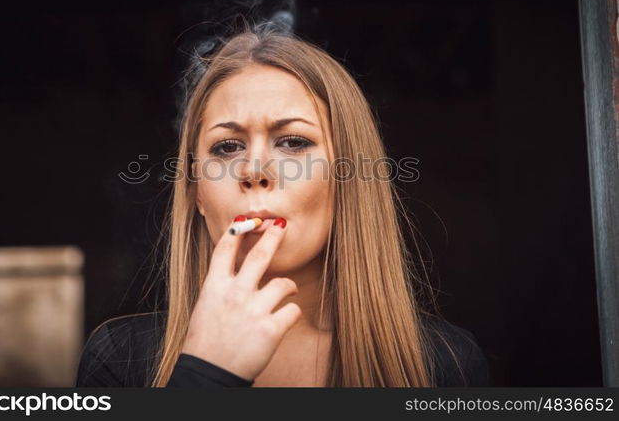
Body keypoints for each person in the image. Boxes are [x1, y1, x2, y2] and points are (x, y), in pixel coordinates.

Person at [75, 22, 492, 387]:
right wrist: (203, 375)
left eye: (293, 142)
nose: (255, 169)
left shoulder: (444, 365)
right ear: (197, 194)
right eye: (227, 147)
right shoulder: (119, 361)